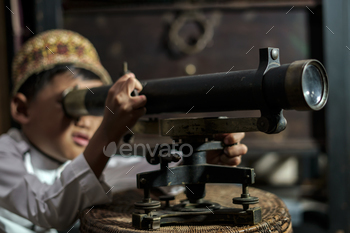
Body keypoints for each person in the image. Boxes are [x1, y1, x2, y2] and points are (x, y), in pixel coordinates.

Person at [0, 29, 248, 233]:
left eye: (97, 108)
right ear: (22, 108)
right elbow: (48, 209)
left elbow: (143, 173)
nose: (86, 120)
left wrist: (202, 156)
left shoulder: (92, 163)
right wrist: (108, 132)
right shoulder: (5, 154)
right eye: (74, 104)